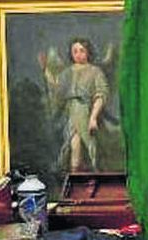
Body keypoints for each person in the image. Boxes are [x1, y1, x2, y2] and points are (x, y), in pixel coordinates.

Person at [42, 37, 112, 171]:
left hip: (86, 111)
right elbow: (57, 89)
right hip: (71, 112)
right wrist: (46, 71)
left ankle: (94, 172)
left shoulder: (95, 71)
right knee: (73, 143)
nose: (78, 54)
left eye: (82, 50)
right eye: (75, 51)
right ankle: (74, 176)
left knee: (90, 144)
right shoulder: (68, 72)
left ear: (88, 52)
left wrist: (93, 117)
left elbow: (101, 94)